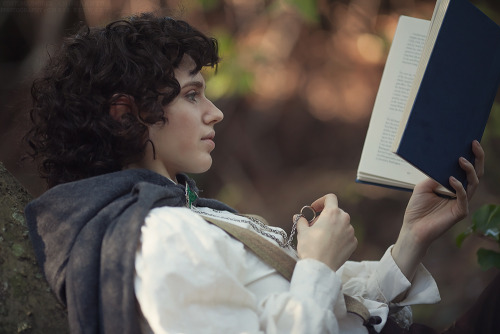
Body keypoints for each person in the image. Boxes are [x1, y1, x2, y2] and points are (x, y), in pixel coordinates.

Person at [23, 13, 493, 334]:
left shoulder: (181, 215)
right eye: (191, 95)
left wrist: (412, 236)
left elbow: (317, 308)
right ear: (127, 115)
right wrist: (315, 265)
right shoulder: (160, 238)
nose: (215, 113)